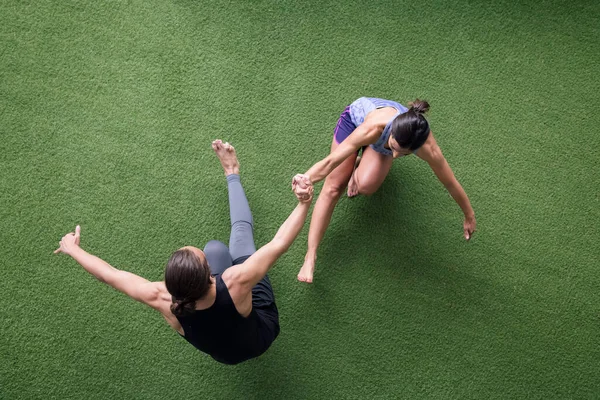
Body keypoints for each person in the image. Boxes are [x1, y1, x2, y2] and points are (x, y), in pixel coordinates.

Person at [54, 140, 314, 364]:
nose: (204, 253)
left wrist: (73, 250)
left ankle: (231, 173)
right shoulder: (236, 281)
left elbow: (110, 275)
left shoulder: (162, 299)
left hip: (227, 356)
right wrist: (304, 202)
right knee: (239, 234)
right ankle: (231, 172)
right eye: (204, 258)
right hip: (263, 332)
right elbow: (279, 242)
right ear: (211, 274)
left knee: (215, 247)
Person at [293, 97, 476, 283]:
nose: (396, 155)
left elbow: (450, 182)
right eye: (396, 149)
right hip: (356, 126)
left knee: (367, 185)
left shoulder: (426, 147)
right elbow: (330, 162)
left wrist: (469, 214)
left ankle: (356, 163)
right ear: (393, 133)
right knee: (334, 187)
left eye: (404, 153)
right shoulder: (373, 127)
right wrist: (306, 179)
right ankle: (311, 256)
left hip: (380, 143)